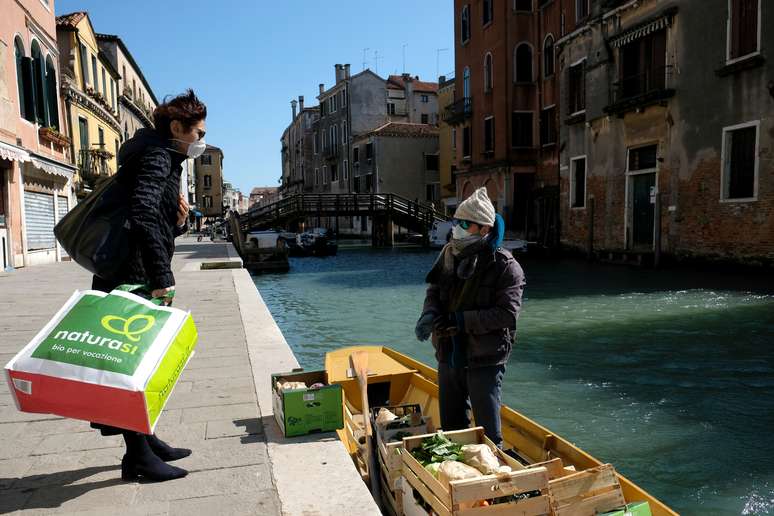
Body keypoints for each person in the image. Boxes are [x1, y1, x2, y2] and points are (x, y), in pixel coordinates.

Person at [90, 89, 208, 482]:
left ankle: (146, 441)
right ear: (177, 127)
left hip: (128, 269)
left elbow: (155, 215)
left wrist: (179, 220)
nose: (200, 141)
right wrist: (162, 278)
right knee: (133, 363)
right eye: (198, 132)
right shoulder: (159, 155)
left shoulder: (156, 152)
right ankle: (139, 457)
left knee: (137, 361)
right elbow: (141, 213)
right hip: (135, 274)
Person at [415, 187, 525, 448]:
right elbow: (434, 291)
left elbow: (507, 314)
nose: (457, 228)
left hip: (485, 358)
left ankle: (493, 479)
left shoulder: (506, 267)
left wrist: (461, 321)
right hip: (448, 352)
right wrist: (429, 315)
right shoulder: (449, 255)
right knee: (452, 428)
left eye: (465, 224)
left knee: (488, 434)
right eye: (456, 222)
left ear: (484, 229)